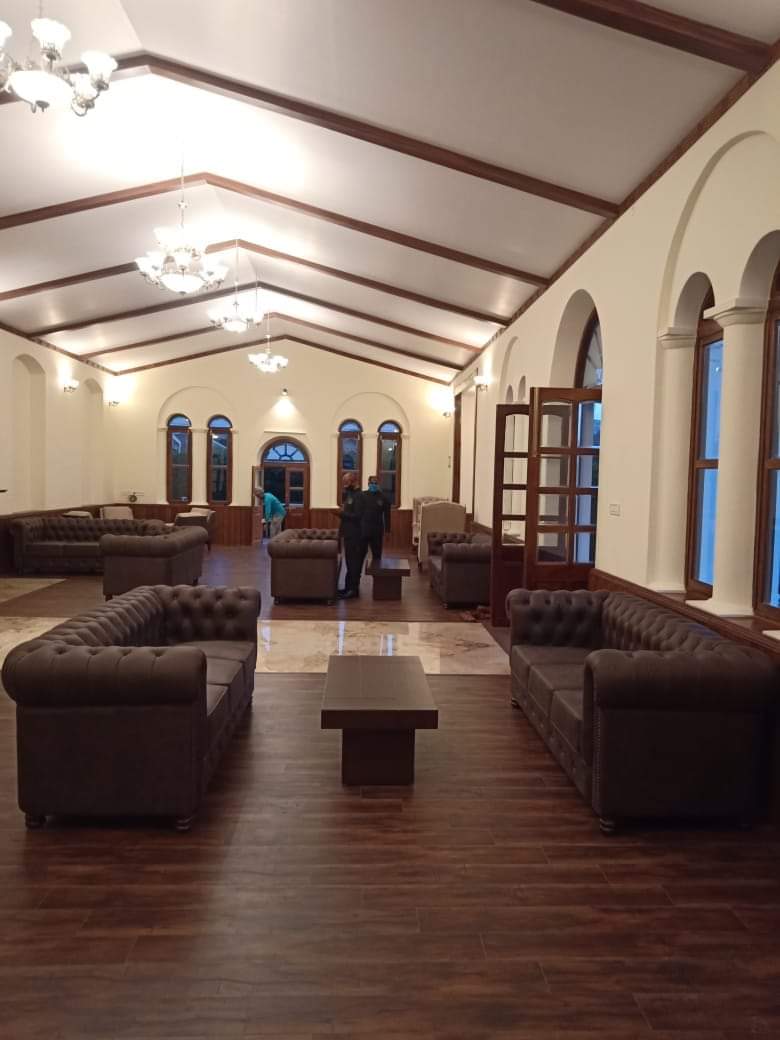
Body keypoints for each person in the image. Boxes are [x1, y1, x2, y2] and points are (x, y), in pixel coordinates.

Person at [336, 471, 364, 599]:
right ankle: (347, 588)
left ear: (353, 481)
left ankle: (353, 590)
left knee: (354, 563)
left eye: (346, 483)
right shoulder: (350, 495)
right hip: (348, 534)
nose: (344, 486)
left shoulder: (359, 496)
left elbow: (357, 516)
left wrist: (341, 514)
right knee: (349, 562)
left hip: (356, 535)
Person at [359, 474, 391, 566]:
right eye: (372, 483)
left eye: (375, 483)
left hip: (377, 531)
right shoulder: (362, 495)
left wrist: (387, 531)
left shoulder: (383, 497)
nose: (373, 485)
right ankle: (358, 573)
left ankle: (376, 573)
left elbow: (387, 515)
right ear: (368, 484)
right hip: (363, 530)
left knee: (377, 556)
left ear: (378, 484)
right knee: (360, 555)